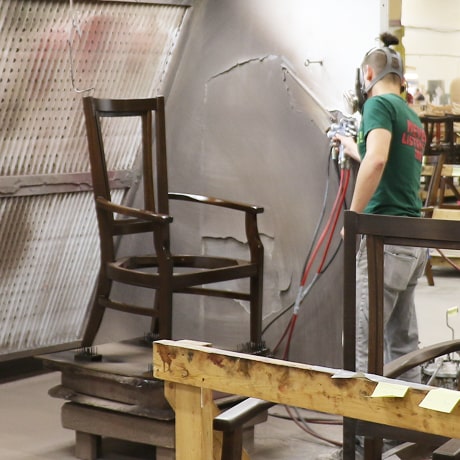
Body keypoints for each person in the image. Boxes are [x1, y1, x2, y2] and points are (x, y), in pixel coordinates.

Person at [336, 32, 428, 383]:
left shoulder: (376, 105)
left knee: (363, 345)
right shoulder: (412, 116)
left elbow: (376, 162)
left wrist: (353, 217)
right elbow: (388, 161)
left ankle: (361, 438)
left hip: (384, 242)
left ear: (368, 76)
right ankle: (407, 432)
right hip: (412, 244)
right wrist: (350, 146)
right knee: (403, 347)